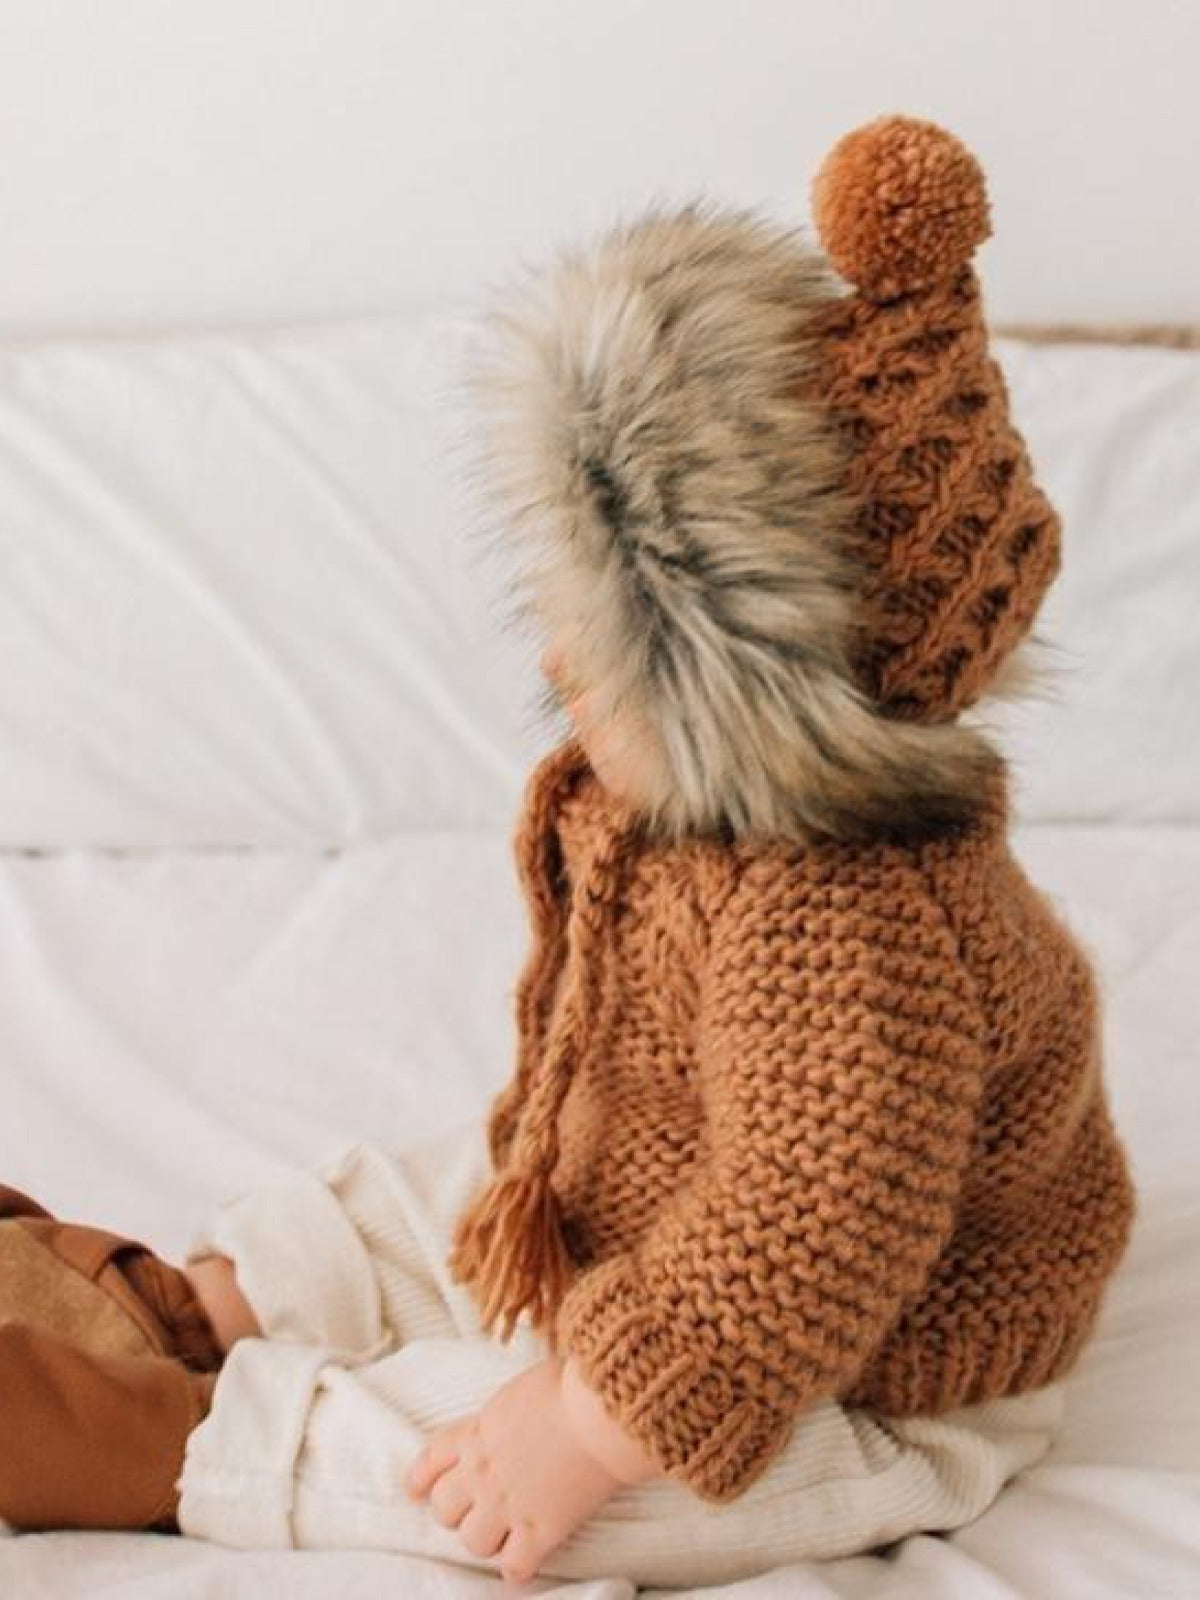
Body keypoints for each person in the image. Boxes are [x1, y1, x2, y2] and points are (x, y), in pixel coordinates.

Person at [0, 116, 1135, 1588]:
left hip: (860, 1370)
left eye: (620, 644)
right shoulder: (695, 813)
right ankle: (192, 1300)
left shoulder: (850, 927)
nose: (554, 656)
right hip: (650, 1190)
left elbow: (809, 1229)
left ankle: (169, 1434)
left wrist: (587, 1425)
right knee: (429, 1194)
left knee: (484, 1469)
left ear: (767, 686)